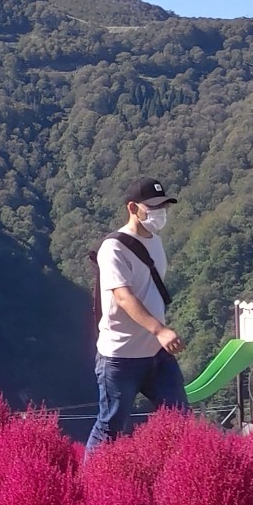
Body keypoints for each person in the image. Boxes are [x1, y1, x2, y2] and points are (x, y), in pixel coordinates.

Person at [86, 176, 186, 452]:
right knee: (111, 428)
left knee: (180, 420)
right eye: (152, 207)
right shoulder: (114, 248)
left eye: (163, 206)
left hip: (157, 355)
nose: (159, 213)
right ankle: (89, 485)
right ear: (132, 208)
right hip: (120, 358)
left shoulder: (155, 241)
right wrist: (160, 330)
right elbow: (123, 295)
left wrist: (159, 335)